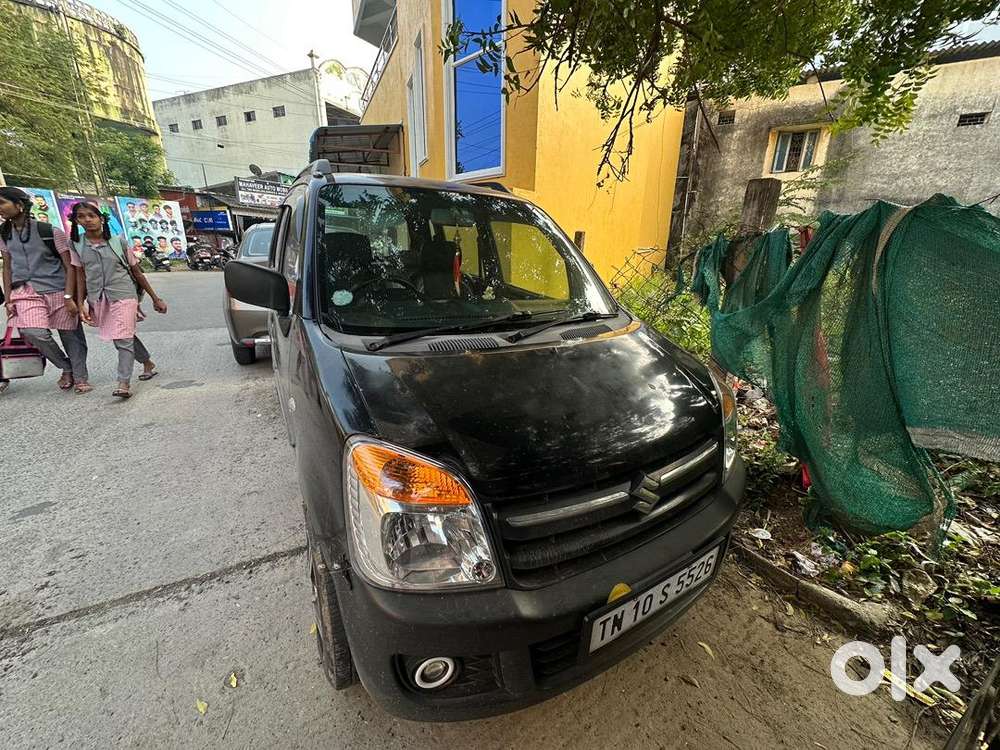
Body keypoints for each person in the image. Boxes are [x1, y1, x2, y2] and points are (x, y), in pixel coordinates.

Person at [70, 201, 167, 399]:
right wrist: (80, 303)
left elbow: (137, 273)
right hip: (98, 297)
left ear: (101, 219)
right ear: (76, 221)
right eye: (81, 216)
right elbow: (80, 275)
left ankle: (123, 383)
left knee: (122, 338)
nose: (87, 220)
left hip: (124, 294)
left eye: (91, 215)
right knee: (123, 335)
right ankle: (147, 362)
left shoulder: (118, 242)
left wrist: (155, 298)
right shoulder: (77, 245)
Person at [0, 187, 91, 393]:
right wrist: (9, 298)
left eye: (2, 203)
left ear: (19, 205)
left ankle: (80, 376)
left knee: (71, 336)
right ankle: (65, 366)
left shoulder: (50, 232)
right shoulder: (4, 234)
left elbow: (70, 267)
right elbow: (7, 266)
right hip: (25, 291)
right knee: (33, 332)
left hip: (58, 289)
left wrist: (70, 296)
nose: (0, 209)